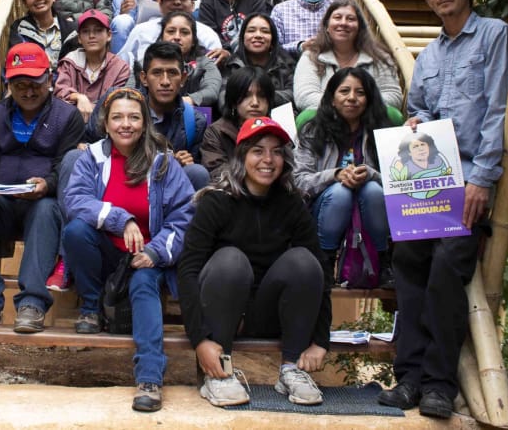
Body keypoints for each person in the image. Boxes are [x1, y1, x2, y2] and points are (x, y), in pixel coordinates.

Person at [377, 0, 508, 419]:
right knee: (409, 267)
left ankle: (439, 383)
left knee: (445, 273)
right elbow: (421, 112)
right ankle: (409, 378)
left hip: (472, 179)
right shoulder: (429, 55)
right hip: (429, 183)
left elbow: (500, 109)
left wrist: (482, 179)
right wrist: (416, 122)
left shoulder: (495, 36)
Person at [179, 116, 330, 408]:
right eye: (258, 150)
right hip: (222, 313)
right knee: (231, 260)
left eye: (276, 151)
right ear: (241, 156)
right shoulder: (216, 201)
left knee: (304, 261)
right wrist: (200, 340)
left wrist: (320, 340)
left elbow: (321, 271)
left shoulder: (292, 203)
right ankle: (219, 374)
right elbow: (188, 270)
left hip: (267, 313)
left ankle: (291, 370)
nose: (268, 159)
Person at [62, 87, 195, 412]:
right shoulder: (91, 158)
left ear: (145, 123)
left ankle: (149, 378)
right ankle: (91, 307)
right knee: (76, 230)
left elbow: (185, 214)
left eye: (134, 117)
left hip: (149, 256)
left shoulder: (164, 164)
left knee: (144, 287)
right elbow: (75, 200)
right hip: (106, 251)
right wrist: (121, 220)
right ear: (105, 123)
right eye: (117, 117)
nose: (126, 124)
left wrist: (154, 252)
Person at [0, 43, 85, 334]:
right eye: (19, 85)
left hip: (41, 204)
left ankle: (32, 303)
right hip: (1, 203)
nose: (28, 91)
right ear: (8, 85)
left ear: (49, 80)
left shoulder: (67, 117)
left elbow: (64, 166)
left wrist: (47, 184)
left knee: (45, 209)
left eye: (35, 84)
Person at [293, 68, 394, 285]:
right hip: (323, 210)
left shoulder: (383, 131)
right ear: (332, 99)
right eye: (344, 91)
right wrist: (335, 175)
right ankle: (325, 262)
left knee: (373, 190)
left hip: (371, 208)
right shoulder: (312, 130)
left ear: (368, 99)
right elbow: (298, 180)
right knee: (341, 192)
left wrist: (370, 174)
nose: (351, 98)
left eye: (360, 92)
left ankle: (383, 262)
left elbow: (398, 184)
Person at [89, 41, 211, 191]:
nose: (165, 82)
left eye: (172, 73)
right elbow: (89, 140)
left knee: (197, 172)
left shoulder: (194, 122)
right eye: (157, 73)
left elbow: (192, 168)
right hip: (113, 178)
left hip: (161, 188)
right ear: (144, 78)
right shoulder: (116, 102)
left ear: (184, 78)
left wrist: (184, 162)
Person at [293, 0, 403, 112]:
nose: (343, 23)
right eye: (337, 18)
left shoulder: (379, 57)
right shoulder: (311, 56)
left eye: (350, 19)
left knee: (392, 114)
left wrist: (357, 107)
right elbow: (304, 97)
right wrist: (342, 106)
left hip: (369, 121)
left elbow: (393, 97)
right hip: (325, 120)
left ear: (360, 27)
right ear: (326, 26)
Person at [117, 0, 230, 71]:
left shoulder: (207, 33)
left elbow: (215, 66)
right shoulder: (141, 30)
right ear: (160, 5)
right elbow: (122, 63)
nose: (177, 2)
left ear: (193, 5)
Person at [55, 9, 132, 122]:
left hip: (105, 126)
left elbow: (116, 103)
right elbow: (59, 92)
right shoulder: (70, 62)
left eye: (98, 30)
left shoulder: (120, 67)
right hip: (71, 125)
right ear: (79, 38)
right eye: (86, 31)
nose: (91, 36)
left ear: (109, 35)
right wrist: (79, 97)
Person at [201, 67, 273, 177]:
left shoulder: (277, 131)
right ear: (233, 102)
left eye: (262, 96)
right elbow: (217, 173)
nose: (255, 103)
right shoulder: (217, 132)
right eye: (246, 96)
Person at [220, 12, 296, 110]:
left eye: (265, 31)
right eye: (251, 31)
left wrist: (255, 97)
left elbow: (293, 95)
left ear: (272, 39)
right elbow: (223, 99)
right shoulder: (231, 64)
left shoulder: (285, 64)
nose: (258, 35)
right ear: (242, 37)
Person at [8, 0, 76, 70]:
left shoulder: (71, 29)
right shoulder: (19, 29)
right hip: (33, 83)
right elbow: (17, 62)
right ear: (25, 3)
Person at [158, 10, 221, 107]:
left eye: (184, 32)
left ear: (193, 41)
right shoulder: (147, 61)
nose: (177, 37)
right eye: (171, 31)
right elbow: (130, 91)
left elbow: (212, 91)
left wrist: (186, 101)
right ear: (161, 37)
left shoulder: (204, 62)